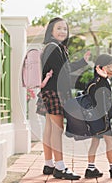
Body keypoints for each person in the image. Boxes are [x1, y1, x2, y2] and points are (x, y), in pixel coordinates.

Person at [39, 17, 90, 180]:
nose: (62, 31)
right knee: (57, 129)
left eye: (65, 29)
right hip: (55, 93)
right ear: (51, 31)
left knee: (49, 128)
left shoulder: (53, 47)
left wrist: (82, 62)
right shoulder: (54, 48)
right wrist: (82, 62)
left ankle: (49, 164)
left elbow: (63, 68)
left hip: (48, 92)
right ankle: (59, 167)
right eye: (59, 28)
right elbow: (65, 71)